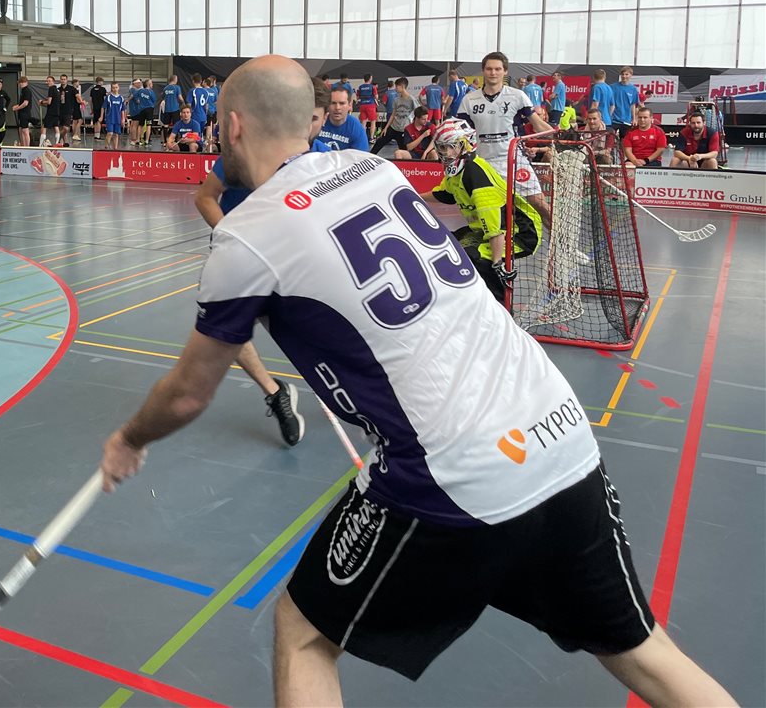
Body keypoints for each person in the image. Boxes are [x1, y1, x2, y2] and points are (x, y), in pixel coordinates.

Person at [99, 55, 735, 708]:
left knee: (304, 635)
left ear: (231, 126)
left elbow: (187, 393)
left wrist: (128, 439)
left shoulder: (246, 238)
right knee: (642, 650)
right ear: (308, 120)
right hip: (561, 433)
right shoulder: (374, 169)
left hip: (454, 470)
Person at [192, 153, 304, 448]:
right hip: (238, 253)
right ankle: (275, 392)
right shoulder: (242, 152)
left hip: (289, 252)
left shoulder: (319, 154)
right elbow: (205, 197)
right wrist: (236, 238)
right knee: (223, 331)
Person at [425, 118, 541, 305]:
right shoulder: (459, 171)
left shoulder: (476, 174)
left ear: (465, 145)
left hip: (520, 232)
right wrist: (410, 194)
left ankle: (501, 309)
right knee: (448, 243)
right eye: (442, 147)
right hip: (489, 229)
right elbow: (445, 194)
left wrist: (497, 263)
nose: (444, 153)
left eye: (449, 147)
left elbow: (495, 227)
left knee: (477, 257)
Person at [461, 52, 553, 227]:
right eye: (489, 69)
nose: (493, 73)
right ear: (483, 71)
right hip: (484, 164)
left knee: (541, 205)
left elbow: (538, 124)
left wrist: (558, 135)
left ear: (505, 71)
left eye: (497, 69)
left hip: (513, 160)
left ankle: (561, 242)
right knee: (491, 215)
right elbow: (461, 132)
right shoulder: (469, 100)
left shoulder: (517, 96)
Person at [313, 85, 369, 153]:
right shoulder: (317, 122)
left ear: (350, 105)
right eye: (333, 103)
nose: (337, 108)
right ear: (327, 105)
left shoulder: (356, 129)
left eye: (342, 103)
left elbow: (361, 156)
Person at [370, 77, 415, 157]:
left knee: (404, 150)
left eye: (397, 86)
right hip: (393, 128)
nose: (395, 88)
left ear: (402, 86)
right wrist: (386, 128)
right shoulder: (396, 100)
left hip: (403, 130)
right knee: (379, 142)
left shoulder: (411, 99)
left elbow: (418, 112)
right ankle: (370, 156)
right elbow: (393, 114)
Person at [611, 67, 640, 139]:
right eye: (623, 74)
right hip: (613, 119)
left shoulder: (633, 89)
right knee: (610, 140)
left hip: (626, 120)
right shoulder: (612, 87)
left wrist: (634, 119)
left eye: (626, 74)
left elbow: (633, 105)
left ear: (630, 75)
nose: (624, 76)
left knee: (624, 141)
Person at [354, 73, 379, 143]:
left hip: (362, 105)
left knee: (363, 122)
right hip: (371, 106)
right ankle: (371, 138)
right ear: (370, 78)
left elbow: (357, 97)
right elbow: (376, 97)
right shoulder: (373, 87)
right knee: (373, 122)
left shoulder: (360, 87)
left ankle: (363, 138)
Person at [12, 76, 37, 147]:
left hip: (25, 113)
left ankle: (27, 146)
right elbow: (22, 103)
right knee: (21, 130)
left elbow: (25, 103)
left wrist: (17, 108)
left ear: (26, 83)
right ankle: (23, 145)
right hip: (22, 113)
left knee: (25, 131)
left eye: (23, 82)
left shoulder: (27, 91)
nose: (21, 84)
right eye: (20, 82)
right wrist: (16, 106)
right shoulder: (23, 91)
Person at [59, 74, 81, 146]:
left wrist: (81, 101)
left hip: (68, 111)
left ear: (67, 80)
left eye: (64, 79)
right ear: (60, 80)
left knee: (66, 128)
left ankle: (58, 138)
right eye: (62, 79)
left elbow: (77, 95)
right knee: (61, 127)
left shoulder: (71, 88)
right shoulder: (58, 89)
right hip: (59, 111)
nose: (63, 80)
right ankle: (64, 143)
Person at [160, 73, 183, 143]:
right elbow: (180, 97)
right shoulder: (177, 87)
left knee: (166, 125)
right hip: (175, 109)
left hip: (167, 109)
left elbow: (162, 97)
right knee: (176, 125)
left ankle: (165, 142)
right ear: (175, 79)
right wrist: (183, 103)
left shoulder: (165, 88)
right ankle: (175, 140)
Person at [102, 81, 125, 150]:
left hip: (117, 118)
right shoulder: (109, 97)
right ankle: (106, 147)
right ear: (111, 88)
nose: (115, 89)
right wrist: (101, 116)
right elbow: (103, 107)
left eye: (116, 87)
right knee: (110, 133)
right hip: (110, 118)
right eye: (113, 88)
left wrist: (123, 119)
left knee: (116, 134)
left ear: (118, 88)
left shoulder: (121, 98)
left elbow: (123, 109)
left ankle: (115, 149)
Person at [40, 75, 60, 146]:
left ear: (53, 81)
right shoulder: (57, 90)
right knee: (56, 126)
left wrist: (42, 102)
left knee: (44, 127)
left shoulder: (51, 89)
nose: (48, 82)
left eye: (49, 81)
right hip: (57, 111)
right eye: (47, 81)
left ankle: (40, 144)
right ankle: (57, 143)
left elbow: (49, 102)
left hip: (51, 111)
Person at [89, 76, 107, 144]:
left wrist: (91, 109)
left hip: (95, 107)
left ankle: (95, 135)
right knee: (99, 121)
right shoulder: (103, 89)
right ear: (100, 82)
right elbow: (106, 97)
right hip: (101, 107)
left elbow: (90, 100)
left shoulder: (92, 89)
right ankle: (98, 135)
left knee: (96, 121)